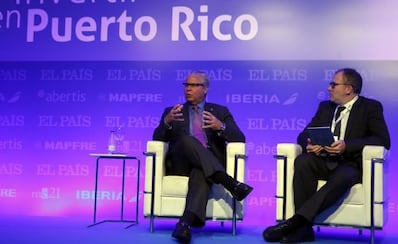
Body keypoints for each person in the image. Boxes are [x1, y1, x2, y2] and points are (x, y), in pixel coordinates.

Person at [263, 68, 391, 243]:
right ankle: (304, 230)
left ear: (348, 88)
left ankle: (296, 222)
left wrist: (347, 146)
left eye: (333, 84)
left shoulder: (370, 107)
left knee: (344, 175)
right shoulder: (325, 107)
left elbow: (383, 140)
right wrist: (309, 144)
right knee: (303, 161)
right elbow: (303, 134)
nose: (329, 88)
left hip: (350, 164)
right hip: (324, 160)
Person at [153, 71, 253, 243]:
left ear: (205, 89)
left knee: (200, 172)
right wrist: (167, 122)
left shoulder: (220, 112)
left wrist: (220, 126)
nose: (188, 89)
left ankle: (184, 224)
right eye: (186, 85)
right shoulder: (172, 111)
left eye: (194, 85)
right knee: (187, 140)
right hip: (180, 162)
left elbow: (239, 138)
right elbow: (157, 138)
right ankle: (230, 183)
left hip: (207, 164)